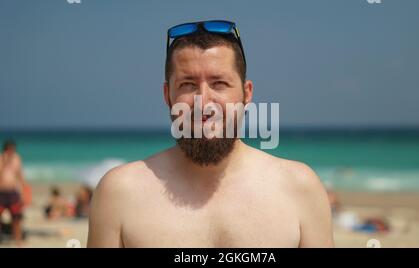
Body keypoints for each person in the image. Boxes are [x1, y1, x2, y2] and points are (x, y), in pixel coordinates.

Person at [88, 20, 333, 248]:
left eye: (219, 84)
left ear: (247, 94)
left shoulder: (299, 188)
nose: (203, 102)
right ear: (167, 95)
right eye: (188, 85)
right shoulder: (120, 192)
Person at [0, 140, 26, 246]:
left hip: (13, 193)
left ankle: (18, 241)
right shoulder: (1, 159)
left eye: (13, 150)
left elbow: (20, 175)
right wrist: (5, 162)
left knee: (16, 218)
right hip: (1, 192)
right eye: (10, 150)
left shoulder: (17, 159)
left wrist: (24, 191)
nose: (11, 152)